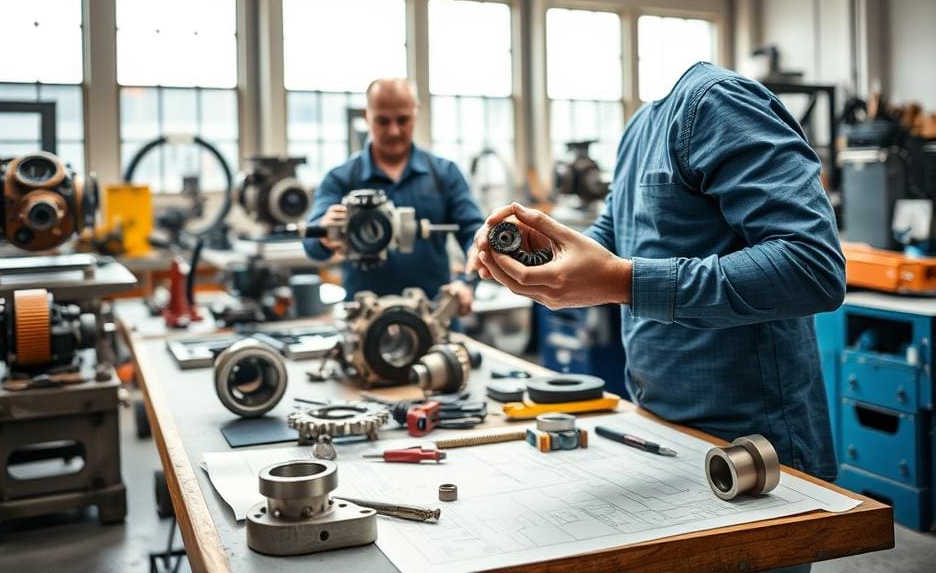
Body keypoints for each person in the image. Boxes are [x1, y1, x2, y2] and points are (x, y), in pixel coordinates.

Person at [469, 62, 845, 487]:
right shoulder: (640, 128)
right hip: (663, 427)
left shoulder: (716, 103)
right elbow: (612, 238)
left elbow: (811, 266)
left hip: (753, 446)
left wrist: (621, 281)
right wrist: (539, 252)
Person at [304, 78, 483, 314]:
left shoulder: (444, 174)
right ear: (367, 115)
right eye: (383, 120)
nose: (394, 130)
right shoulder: (341, 179)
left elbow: (477, 236)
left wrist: (466, 282)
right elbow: (311, 244)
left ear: (415, 112)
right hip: (365, 323)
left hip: (434, 316)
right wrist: (323, 234)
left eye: (402, 120)